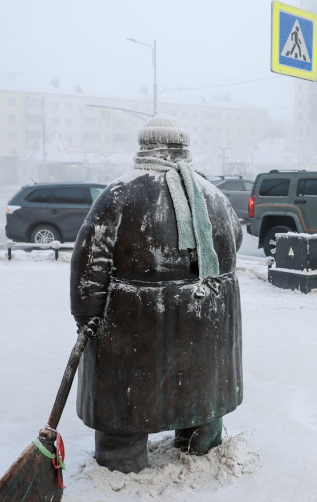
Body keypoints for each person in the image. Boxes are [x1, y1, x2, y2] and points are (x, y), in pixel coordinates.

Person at [70, 115, 243, 473]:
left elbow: (90, 262)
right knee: (203, 400)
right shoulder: (212, 194)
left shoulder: (119, 193)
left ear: (145, 146)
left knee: (127, 411)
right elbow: (235, 241)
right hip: (208, 318)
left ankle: (124, 460)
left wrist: (86, 317)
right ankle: (201, 443)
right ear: (184, 148)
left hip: (134, 329)